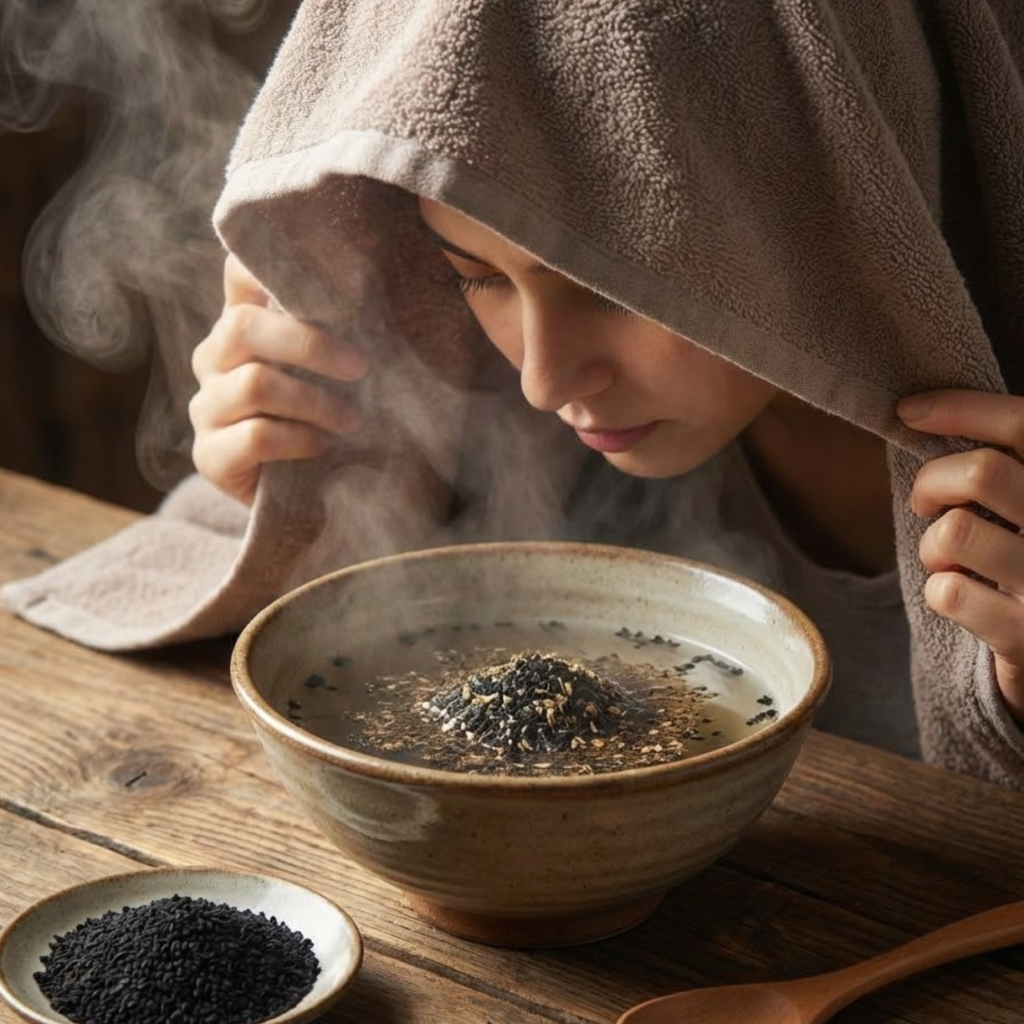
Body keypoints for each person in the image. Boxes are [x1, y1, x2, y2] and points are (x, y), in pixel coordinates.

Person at [6, 0, 1024, 788]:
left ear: (839, 197)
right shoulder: (472, 403)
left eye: (615, 284)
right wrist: (279, 509)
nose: (544, 378)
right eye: (475, 272)